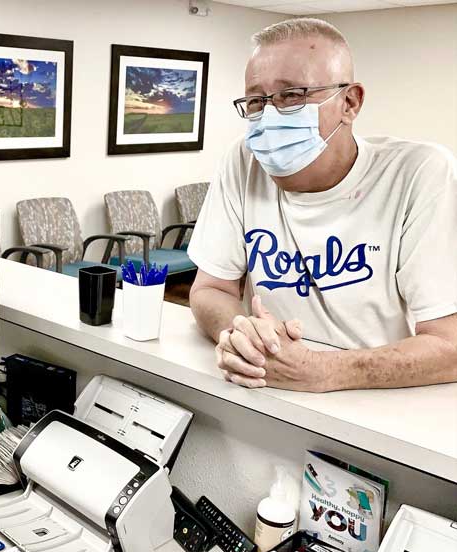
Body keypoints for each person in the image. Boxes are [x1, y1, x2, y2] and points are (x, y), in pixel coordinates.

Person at [187, 17, 457, 393]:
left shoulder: (419, 174)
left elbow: (450, 344)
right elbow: (210, 290)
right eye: (255, 100)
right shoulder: (243, 160)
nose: (268, 117)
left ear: (350, 102)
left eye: (291, 95)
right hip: (270, 395)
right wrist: (241, 333)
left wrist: (326, 370)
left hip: (381, 406)